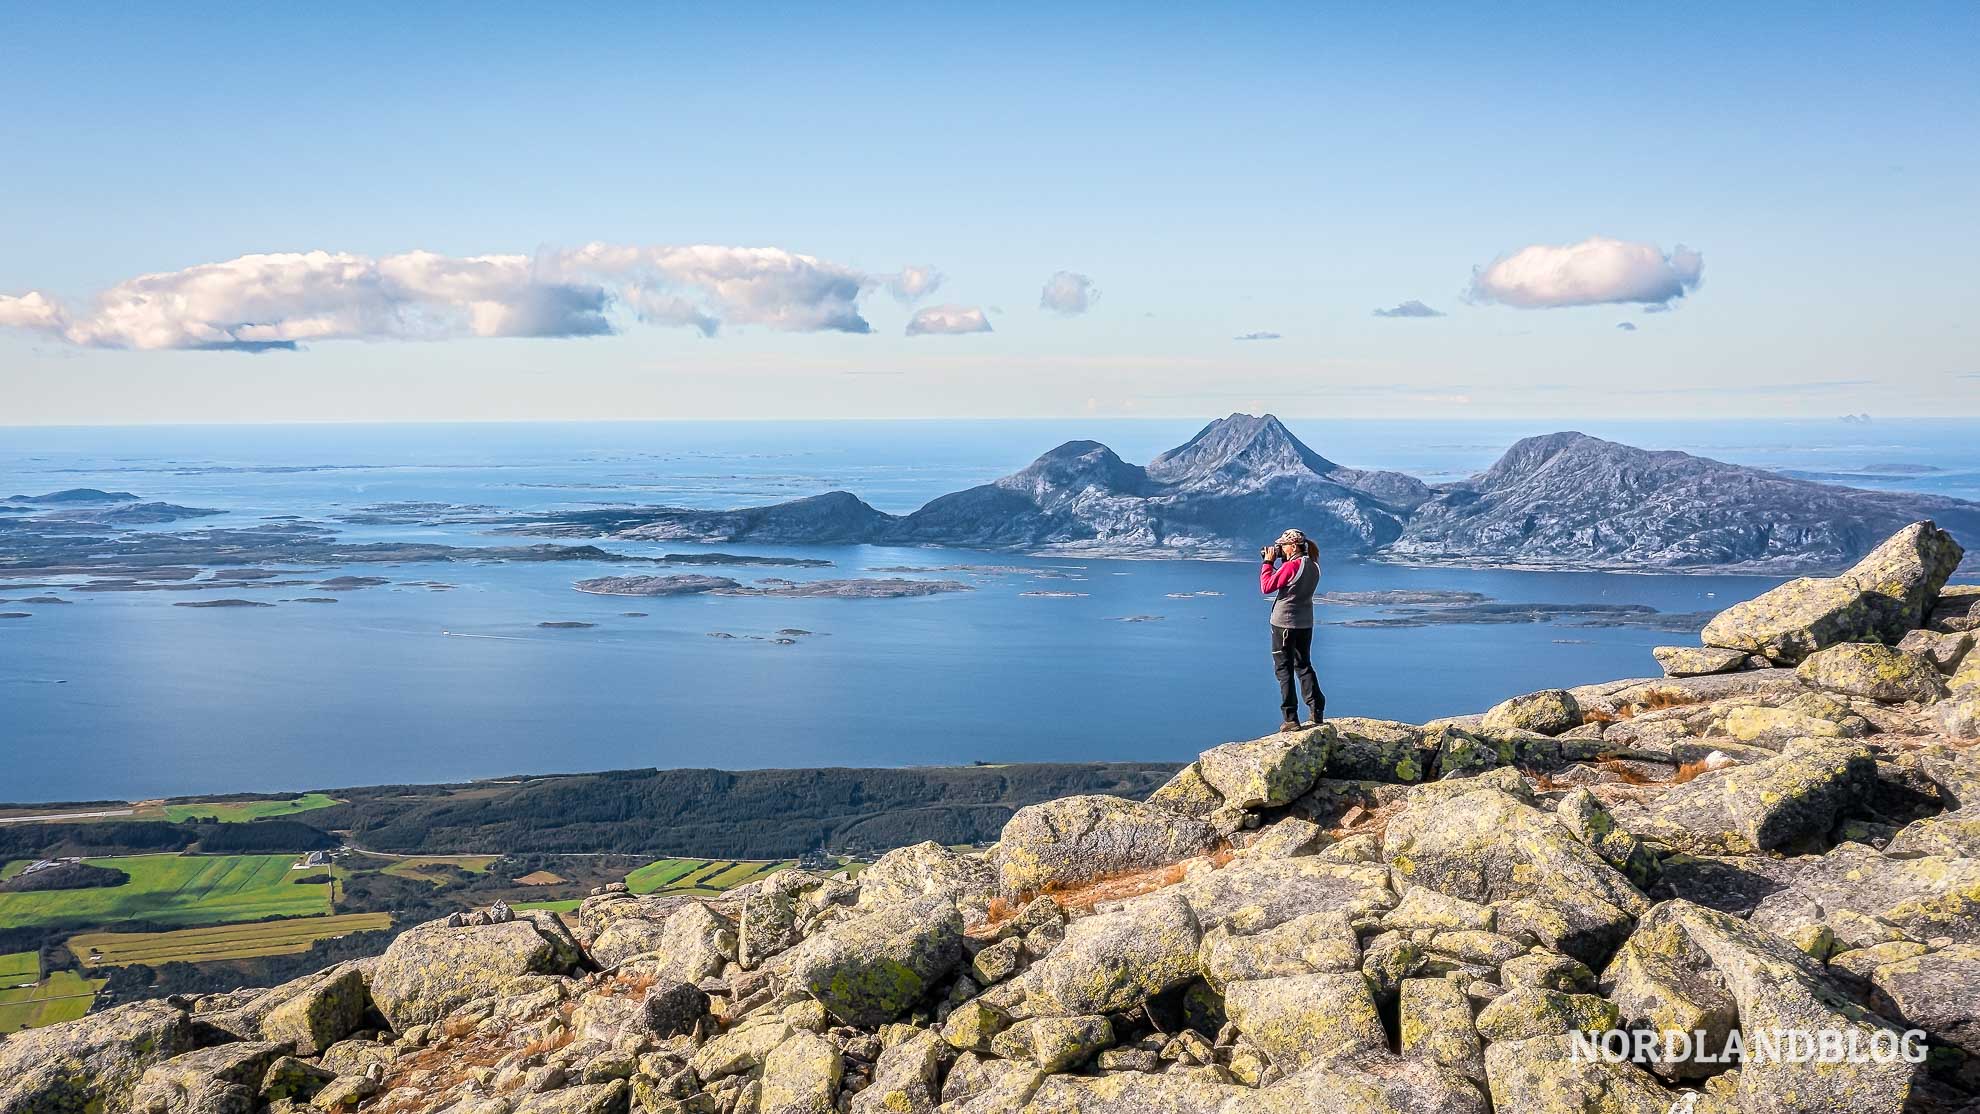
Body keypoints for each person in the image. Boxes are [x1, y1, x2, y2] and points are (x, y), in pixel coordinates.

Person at [1259, 527, 1324, 732]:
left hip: (1284, 625)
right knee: (1303, 665)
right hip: (1305, 624)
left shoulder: (1291, 567)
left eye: (1282, 546)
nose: (1279, 549)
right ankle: (1316, 710)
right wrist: (1281, 561)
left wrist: (1268, 563)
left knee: (1283, 670)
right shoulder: (1313, 565)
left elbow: (1266, 586)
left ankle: (1290, 718)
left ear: (1293, 546)